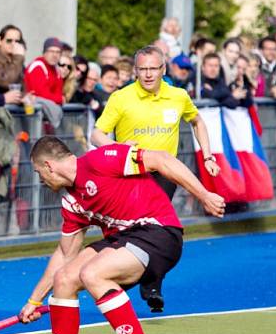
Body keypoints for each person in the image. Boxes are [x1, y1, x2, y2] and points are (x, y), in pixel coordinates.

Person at [19, 136, 225, 334]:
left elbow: (162, 160)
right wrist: (34, 301)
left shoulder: (99, 161)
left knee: (92, 273)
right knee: (65, 278)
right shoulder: (71, 201)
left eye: (39, 172)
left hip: (158, 232)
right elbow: (64, 254)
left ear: (49, 165)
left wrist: (203, 195)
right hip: (123, 239)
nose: (41, 179)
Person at [91, 45, 221, 312]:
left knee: (154, 227)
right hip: (128, 173)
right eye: (143, 69)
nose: (148, 74)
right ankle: (124, 273)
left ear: (163, 69)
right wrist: (120, 150)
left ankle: (151, 284)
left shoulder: (178, 96)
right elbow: (97, 134)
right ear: (135, 71)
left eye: (153, 68)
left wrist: (207, 156)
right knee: (133, 228)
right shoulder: (121, 98)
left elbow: (197, 122)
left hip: (163, 175)